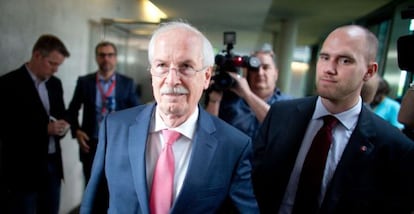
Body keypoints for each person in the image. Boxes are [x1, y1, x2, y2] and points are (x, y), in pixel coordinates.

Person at [80, 21, 259, 213]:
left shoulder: (233, 146)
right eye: (162, 65)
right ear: (151, 73)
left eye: (186, 66)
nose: (172, 80)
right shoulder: (114, 127)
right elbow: (94, 204)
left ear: (206, 76)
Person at [252, 25, 414, 214]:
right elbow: (253, 180)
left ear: (369, 71)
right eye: (325, 57)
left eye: (345, 60)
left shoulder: (394, 146)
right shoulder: (281, 114)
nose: (329, 69)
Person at [0, 34, 71, 214]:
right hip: (23, 171)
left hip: (53, 166)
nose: (55, 70)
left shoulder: (55, 84)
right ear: (37, 55)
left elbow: (60, 115)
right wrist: (44, 130)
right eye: (52, 63)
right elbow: (6, 128)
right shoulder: (8, 83)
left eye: (58, 65)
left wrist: (63, 127)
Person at [66, 41, 140, 185]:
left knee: (115, 188)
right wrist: (77, 131)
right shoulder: (85, 82)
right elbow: (72, 109)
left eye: (110, 55)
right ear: (96, 58)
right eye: (102, 55)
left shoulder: (127, 83)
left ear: (116, 58)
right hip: (91, 144)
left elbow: (136, 113)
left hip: (118, 144)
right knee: (92, 187)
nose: (106, 58)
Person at [205, 44, 292, 138]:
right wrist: (214, 101)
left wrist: (247, 94)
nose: (260, 73)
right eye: (255, 68)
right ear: (248, 73)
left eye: (266, 67)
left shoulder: (288, 103)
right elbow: (208, 133)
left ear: (276, 73)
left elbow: (281, 127)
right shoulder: (230, 100)